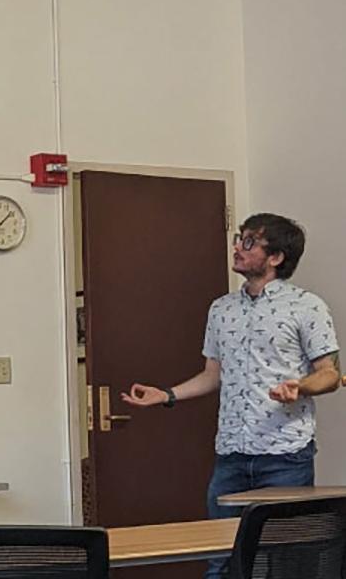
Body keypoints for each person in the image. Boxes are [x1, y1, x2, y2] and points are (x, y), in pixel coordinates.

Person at [121, 213, 340, 579]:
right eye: (239, 238)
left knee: (286, 563)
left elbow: (330, 374)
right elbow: (213, 376)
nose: (237, 246)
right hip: (231, 456)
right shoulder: (221, 309)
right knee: (222, 561)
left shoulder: (307, 306)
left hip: (285, 456)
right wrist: (167, 395)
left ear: (276, 257)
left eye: (249, 241)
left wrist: (299, 386)